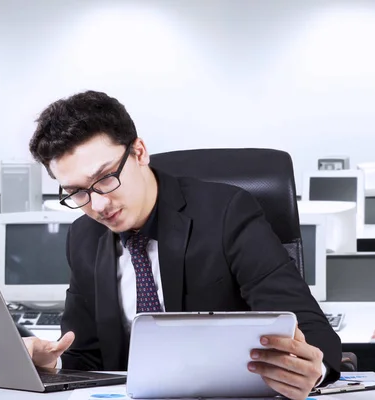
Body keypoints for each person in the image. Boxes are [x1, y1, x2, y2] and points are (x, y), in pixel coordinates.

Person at [26, 90, 341, 400]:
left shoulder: (226, 213)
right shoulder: (85, 236)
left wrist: (314, 370)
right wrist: (53, 364)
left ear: (139, 152)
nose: (98, 204)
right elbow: (87, 358)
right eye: (77, 192)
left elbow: (312, 330)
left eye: (106, 177)